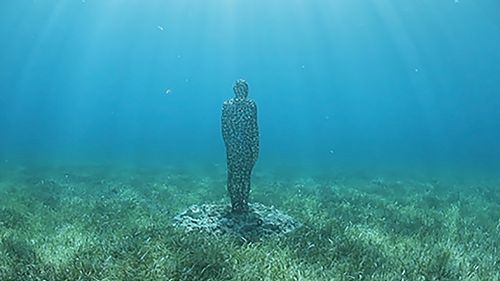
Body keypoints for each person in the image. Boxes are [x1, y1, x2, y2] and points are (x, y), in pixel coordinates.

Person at [221, 79, 259, 214]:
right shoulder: (250, 105)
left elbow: (225, 129)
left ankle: (239, 203)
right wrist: (255, 148)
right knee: (240, 175)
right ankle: (239, 203)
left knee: (239, 175)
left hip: (235, 146)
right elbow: (254, 130)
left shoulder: (229, 105)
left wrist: (229, 145)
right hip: (242, 146)